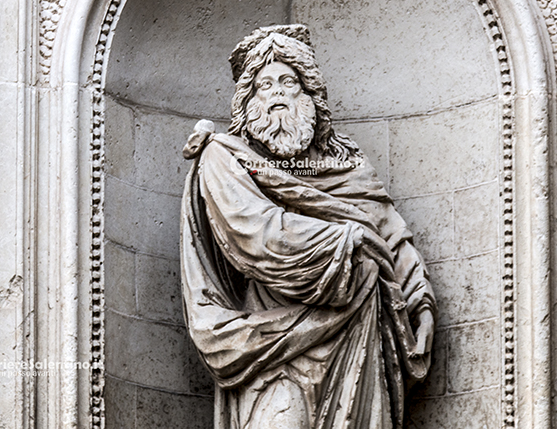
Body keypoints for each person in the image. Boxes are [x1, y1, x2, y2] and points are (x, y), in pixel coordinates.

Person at [180, 24, 436, 429]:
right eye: (264, 85)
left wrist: (420, 303)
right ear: (248, 100)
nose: (277, 95)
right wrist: (346, 241)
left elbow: (389, 234)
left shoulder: (346, 165)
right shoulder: (226, 157)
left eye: (289, 82)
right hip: (271, 340)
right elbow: (258, 237)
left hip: (356, 332)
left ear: (310, 94)